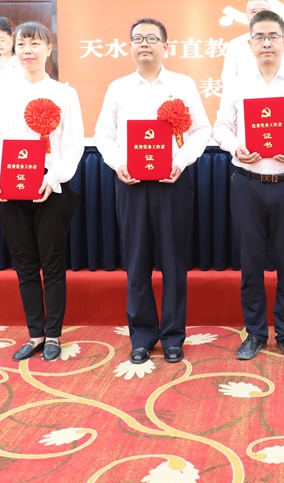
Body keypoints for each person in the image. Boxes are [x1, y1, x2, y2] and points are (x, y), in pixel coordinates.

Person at [213, 9, 284, 361]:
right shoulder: (237, 85)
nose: (266, 43)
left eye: (273, 36)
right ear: (249, 44)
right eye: (260, 37)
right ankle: (255, 333)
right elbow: (220, 127)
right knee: (250, 265)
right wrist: (235, 146)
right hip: (247, 184)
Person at [94, 18, 211, 365]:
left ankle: (173, 336)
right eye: (137, 38)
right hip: (130, 185)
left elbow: (201, 131)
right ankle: (142, 336)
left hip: (172, 183)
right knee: (137, 262)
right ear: (129, 46)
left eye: (151, 38)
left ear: (165, 46)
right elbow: (103, 135)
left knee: (174, 263)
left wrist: (181, 161)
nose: (144, 43)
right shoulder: (118, 88)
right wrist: (118, 164)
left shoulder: (183, 85)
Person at [0, 22, 84, 363]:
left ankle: (53, 334)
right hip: (10, 187)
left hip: (50, 186)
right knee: (25, 265)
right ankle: (35, 334)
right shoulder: (6, 93)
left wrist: (52, 178)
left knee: (52, 264)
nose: (27, 51)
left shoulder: (64, 93)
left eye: (35, 44)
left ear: (49, 49)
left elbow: (73, 144)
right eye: (22, 45)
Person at [220, 0, 284, 89]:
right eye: (253, 11)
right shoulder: (235, 44)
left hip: (279, 93)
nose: (258, 14)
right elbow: (228, 76)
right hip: (245, 93)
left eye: (263, 11)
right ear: (247, 16)